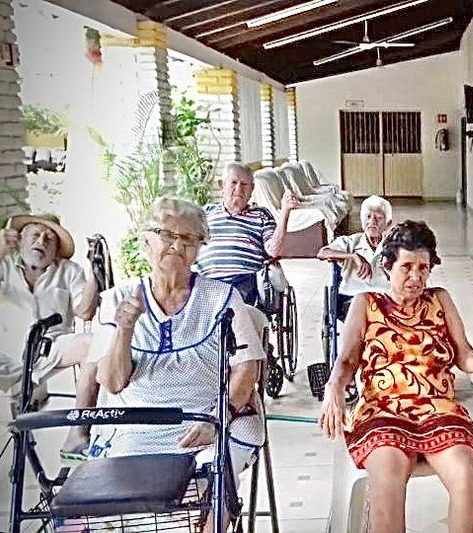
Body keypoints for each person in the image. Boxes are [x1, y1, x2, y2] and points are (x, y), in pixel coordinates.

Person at [319, 220, 473, 533]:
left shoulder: (440, 300)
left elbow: (463, 353)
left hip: (438, 408)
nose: (416, 277)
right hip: (383, 410)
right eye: (407, 267)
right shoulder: (366, 304)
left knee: (466, 476)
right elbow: (348, 358)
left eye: (423, 268)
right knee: (387, 479)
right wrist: (333, 387)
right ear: (387, 266)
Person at [87, 198, 265, 528]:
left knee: (218, 474)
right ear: (145, 243)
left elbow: (246, 369)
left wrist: (217, 419)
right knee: (120, 501)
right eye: (166, 234)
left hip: (210, 420)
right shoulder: (117, 299)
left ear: (199, 249)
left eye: (188, 239)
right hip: (136, 426)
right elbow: (111, 382)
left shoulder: (222, 297)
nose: (176, 245)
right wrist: (124, 329)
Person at [0, 213, 99, 456]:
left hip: (50, 349)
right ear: (19, 241)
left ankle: (77, 435)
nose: (42, 241)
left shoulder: (69, 271)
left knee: (94, 345)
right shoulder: (3, 264)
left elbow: (85, 312)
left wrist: (94, 275)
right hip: (2, 352)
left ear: (56, 250)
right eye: (35, 235)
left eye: (50, 238)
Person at [196, 162, 299, 305]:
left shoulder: (261, 215)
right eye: (233, 182)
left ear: (252, 190)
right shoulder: (206, 213)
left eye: (244, 184)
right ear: (222, 186)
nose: (238, 188)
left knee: (233, 304)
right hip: (206, 280)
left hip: (243, 281)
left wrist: (285, 212)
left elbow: (274, 250)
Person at [317, 195, 392, 320]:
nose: (372, 221)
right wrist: (353, 256)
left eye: (378, 218)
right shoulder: (351, 242)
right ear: (362, 222)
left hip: (385, 300)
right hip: (351, 300)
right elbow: (322, 253)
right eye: (368, 217)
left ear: (387, 223)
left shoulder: (393, 245)